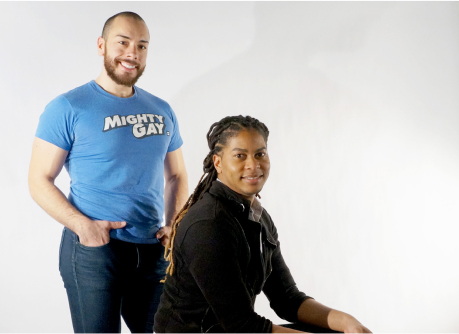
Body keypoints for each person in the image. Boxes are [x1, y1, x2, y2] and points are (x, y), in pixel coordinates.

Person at [28, 11, 188, 333]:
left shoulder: (161, 110)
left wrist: (173, 224)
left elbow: (177, 176)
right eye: (123, 42)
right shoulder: (69, 107)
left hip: (152, 247)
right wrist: (82, 226)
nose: (133, 53)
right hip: (94, 251)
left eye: (142, 46)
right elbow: (38, 179)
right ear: (101, 46)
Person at [154, 115, 371, 333]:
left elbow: (287, 299)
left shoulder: (258, 216)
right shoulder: (208, 224)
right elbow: (243, 325)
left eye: (260, 154)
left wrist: (348, 323)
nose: (253, 165)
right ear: (217, 162)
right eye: (240, 156)